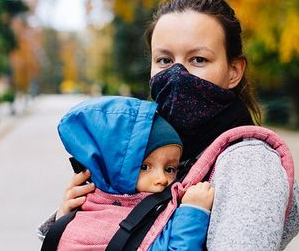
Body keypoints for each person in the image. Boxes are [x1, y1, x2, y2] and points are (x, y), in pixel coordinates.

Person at [39, 0, 299, 250]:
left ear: (234, 71)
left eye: (198, 59)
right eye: (164, 60)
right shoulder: (154, 146)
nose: (177, 74)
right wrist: (72, 219)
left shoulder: (248, 163)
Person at [50, 96, 214, 250]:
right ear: (112, 168)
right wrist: (193, 212)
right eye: (145, 167)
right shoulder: (90, 224)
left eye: (170, 169)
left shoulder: (158, 205)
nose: (162, 179)